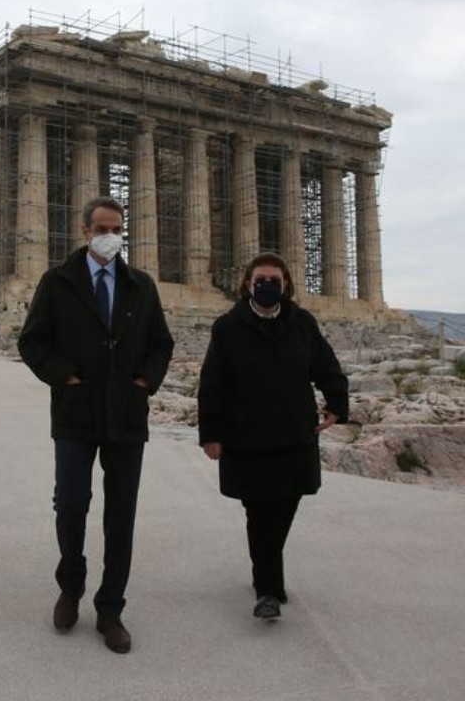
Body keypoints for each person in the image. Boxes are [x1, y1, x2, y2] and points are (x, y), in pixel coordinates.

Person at [18, 196, 174, 653]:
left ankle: (110, 609)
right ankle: (71, 586)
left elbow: (161, 343)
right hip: (76, 411)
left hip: (126, 413)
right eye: (102, 228)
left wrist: (144, 382)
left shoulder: (141, 286)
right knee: (70, 502)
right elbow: (32, 341)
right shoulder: (57, 282)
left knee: (121, 513)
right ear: (85, 231)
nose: (110, 236)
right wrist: (64, 377)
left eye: (117, 228)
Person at [197, 252, 348, 620]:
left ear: (286, 285)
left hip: (294, 433)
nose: (267, 286)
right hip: (247, 436)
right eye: (260, 280)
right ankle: (268, 588)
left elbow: (326, 366)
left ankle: (266, 573)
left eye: (274, 281)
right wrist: (211, 434)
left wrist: (336, 404)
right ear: (248, 284)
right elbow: (212, 383)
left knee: (284, 507)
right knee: (258, 510)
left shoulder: (302, 323)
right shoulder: (228, 327)